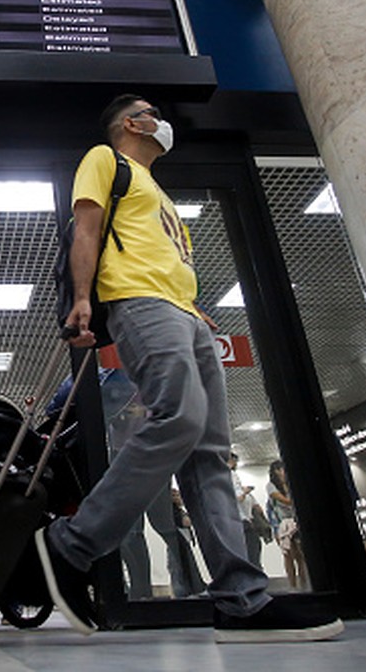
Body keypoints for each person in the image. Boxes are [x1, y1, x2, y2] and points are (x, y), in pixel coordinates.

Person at [39, 93, 342, 641]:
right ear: (132, 123)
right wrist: (82, 297)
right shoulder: (106, 160)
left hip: (188, 315)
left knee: (208, 454)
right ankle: (69, 544)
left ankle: (241, 600)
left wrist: (198, 313)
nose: (163, 121)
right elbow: (86, 229)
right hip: (140, 303)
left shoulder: (158, 192)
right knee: (177, 418)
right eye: (153, 112)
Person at [267, 459, 308, 591]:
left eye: (282, 469)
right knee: (288, 554)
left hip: (296, 523)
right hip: (281, 524)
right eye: (278, 470)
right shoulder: (271, 486)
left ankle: (304, 583)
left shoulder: (291, 484)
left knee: (300, 555)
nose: (281, 472)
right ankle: (292, 585)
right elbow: (285, 501)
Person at [228, 452, 264, 569]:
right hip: (240, 521)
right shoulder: (231, 475)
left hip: (234, 521)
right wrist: (245, 492)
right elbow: (238, 498)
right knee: (253, 554)